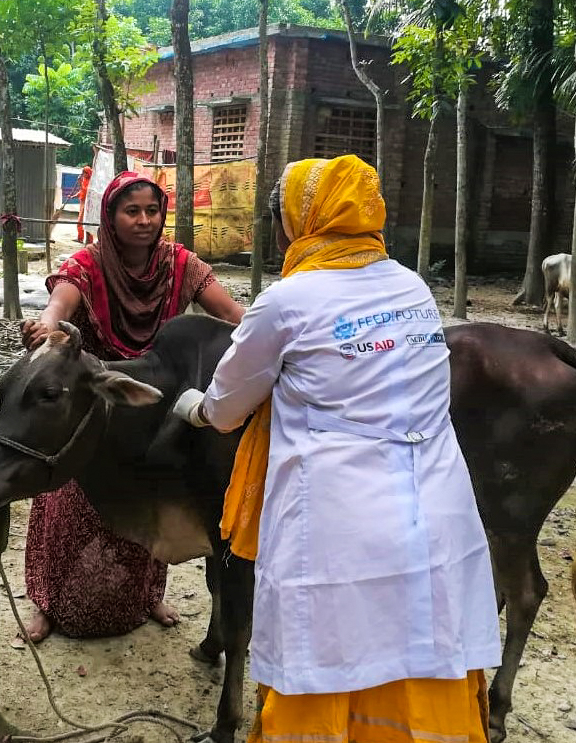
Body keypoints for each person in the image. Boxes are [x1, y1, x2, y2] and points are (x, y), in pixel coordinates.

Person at [172, 155, 502, 742]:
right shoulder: (413, 287)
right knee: (420, 645)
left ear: (297, 222)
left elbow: (225, 409)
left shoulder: (286, 300)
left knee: (326, 652)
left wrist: (192, 406)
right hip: (436, 509)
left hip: (338, 520)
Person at [19, 171, 245, 642]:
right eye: (132, 211)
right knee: (68, 497)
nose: (144, 220)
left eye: (152, 211)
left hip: (151, 399)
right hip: (94, 394)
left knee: (150, 492)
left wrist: (277, 336)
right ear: (111, 216)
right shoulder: (89, 262)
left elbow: (230, 314)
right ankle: (45, 600)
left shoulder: (180, 263)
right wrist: (47, 325)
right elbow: (59, 303)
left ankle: (148, 595)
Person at [75, 165, 93, 244]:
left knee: (82, 221)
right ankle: (80, 238)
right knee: (80, 221)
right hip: (82, 201)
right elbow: (82, 191)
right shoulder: (84, 180)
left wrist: (80, 183)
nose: (83, 174)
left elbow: (86, 190)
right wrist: (74, 196)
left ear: (88, 173)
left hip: (87, 202)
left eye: (85, 173)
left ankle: (88, 240)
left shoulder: (91, 181)